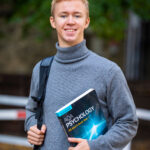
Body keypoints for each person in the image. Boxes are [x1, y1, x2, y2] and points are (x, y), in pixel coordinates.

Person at [25, 0, 138, 149]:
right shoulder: (41, 69)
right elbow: (31, 111)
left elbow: (128, 123)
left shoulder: (109, 71)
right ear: (53, 21)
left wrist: (94, 146)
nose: (70, 21)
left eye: (77, 16)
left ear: (86, 21)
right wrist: (32, 127)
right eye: (63, 15)